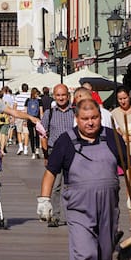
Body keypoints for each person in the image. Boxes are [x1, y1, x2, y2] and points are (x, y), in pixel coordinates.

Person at [39, 98, 128, 260]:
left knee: (105, 254)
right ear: (76, 119)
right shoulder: (65, 141)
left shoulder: (112, 138)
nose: (90, 123)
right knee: (84, 251)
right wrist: (44, 199)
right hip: (79, 207)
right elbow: (51, 172)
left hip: (108, 205)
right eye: (86, 119)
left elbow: (129, 167)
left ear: (100, 117)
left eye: (94, 118)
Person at [39, 83, 77, 227]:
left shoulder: (74, 112)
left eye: (63, 95)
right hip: (54, 151)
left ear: (68, 96)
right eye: (58, 95)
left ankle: (71, 215)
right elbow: (43, 133)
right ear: (54, 96)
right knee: (55, 185)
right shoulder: (50, 113)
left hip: (72, 152)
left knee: (72, 184)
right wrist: (45, 154)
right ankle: (55, 216)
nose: (61, 98)